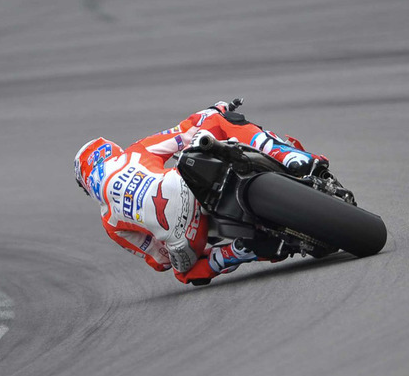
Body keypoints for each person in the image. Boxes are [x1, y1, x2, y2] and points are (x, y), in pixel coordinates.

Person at [73, 100, 328, 285]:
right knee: (217, 123)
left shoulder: (110, 222)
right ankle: (287, 155)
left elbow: (159, 260)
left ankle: (236, 252)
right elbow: (186, 133)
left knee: (183, 272)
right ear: (111, 150)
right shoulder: (135, 152)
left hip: (185, 236)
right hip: (184, 186)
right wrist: (215, 110)